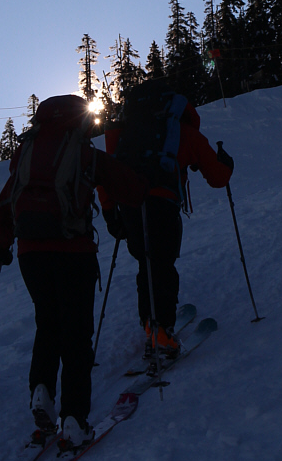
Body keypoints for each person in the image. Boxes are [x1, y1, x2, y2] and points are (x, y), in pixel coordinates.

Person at [0, 94, 147, 447]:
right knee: (76, 334)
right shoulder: (82, 152)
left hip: (31, 253)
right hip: (73, 251)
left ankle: (41, 390)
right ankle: (74, 419)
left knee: (48, 322)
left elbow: (5, 200)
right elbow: (130, 188)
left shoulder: (27, 152)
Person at [98, 79, 234, 359]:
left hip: (130, 205)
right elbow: (218, 178)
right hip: (162, 202)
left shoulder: (127, 133)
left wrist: (111, 213)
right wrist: (227, 164)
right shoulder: (181, 131)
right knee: (163, 264)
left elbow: (106, 171)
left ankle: (151, 324)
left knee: (146, 263)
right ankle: (162, 332)